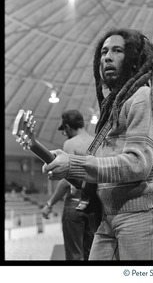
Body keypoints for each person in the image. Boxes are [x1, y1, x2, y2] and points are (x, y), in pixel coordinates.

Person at [42, 28, 153, 260]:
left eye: (117, 50)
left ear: (133, 57)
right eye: (104, 52)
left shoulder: (143, 97)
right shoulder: (112, 108)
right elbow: (104, 164)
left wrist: (74, 163)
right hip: (108, 217)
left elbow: (137, 164)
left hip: (140, 215)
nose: (107, 57)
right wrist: (64, 164)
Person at [42, 110, 94, 260]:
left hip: (75, 204)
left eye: (64, 131)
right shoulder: (96, 142)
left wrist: (50, 203)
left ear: (67, 127)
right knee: (91, 254)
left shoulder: (70, 143)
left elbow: (67, 180)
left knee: (74, 255)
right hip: (94, 205)